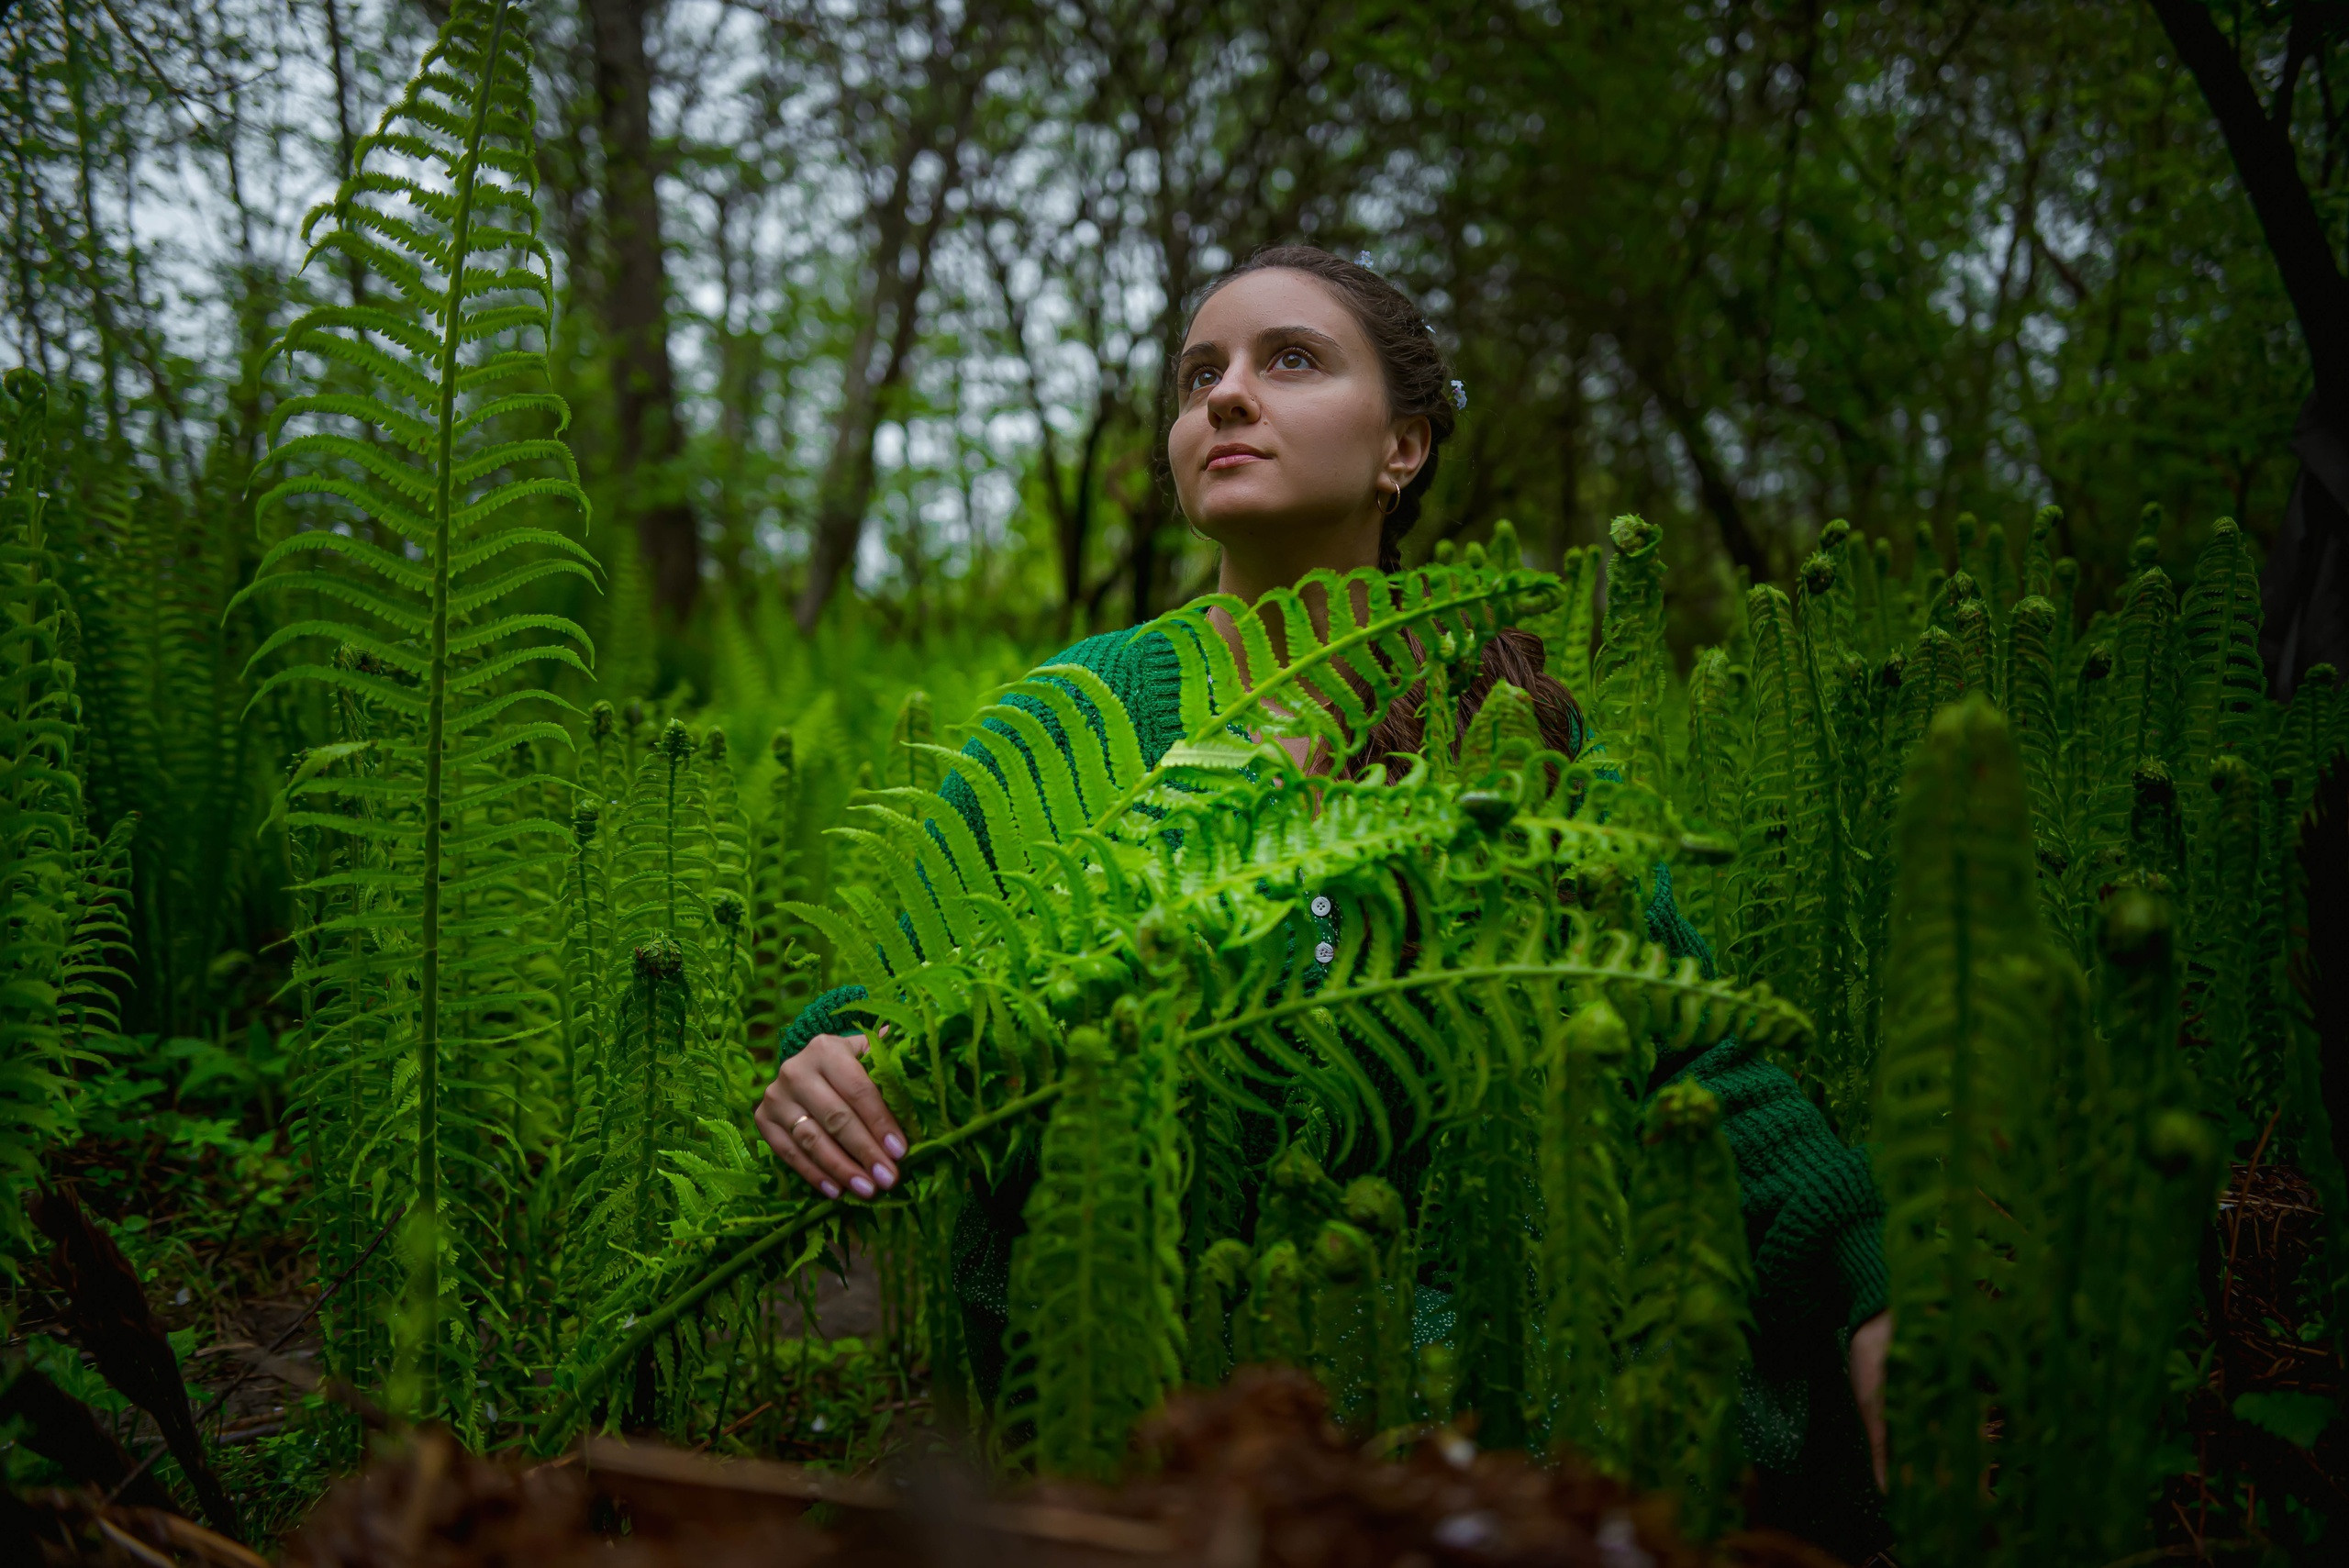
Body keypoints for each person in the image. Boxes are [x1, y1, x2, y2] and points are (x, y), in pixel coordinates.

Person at [754, 246, 1892, 1557]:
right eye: (1199, 376)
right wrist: (832, 1056)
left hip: (1448, 1430)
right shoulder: (1081, 711)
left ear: (1404, 445)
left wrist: (1871, 1287)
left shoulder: (1507, 729)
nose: (1225, 398)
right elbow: (916, 992)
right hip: (1117, 1432)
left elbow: (1691, 1041)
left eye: (1288, 359)